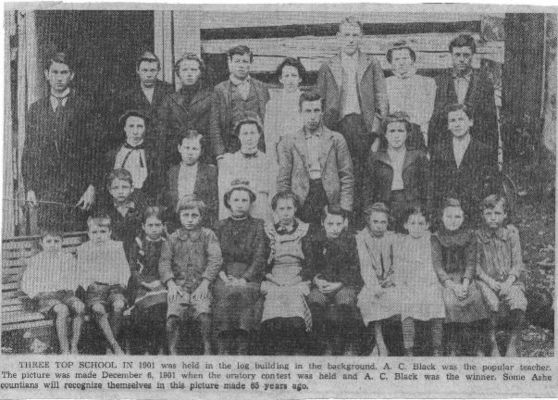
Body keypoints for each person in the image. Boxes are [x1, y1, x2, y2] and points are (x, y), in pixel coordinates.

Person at [317, 17, 388, 219]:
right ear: (338, 37)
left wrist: (376, 132)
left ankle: (363, 216)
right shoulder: (327, 65)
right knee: (340, 172)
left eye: (355, 35)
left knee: (365, 171)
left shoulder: (371, 63)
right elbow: (320, 100)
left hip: (363, 126)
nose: (350, 40)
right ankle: (341, 216)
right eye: (346, 35)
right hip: (337, 126)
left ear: (361, 37)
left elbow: (381, 98)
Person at [21, 52, 100, 231]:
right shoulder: (36, 110)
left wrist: (92, 187)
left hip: (78, 192)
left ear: (72, 75)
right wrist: (30, 188)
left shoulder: (85, 107)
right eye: (54, 72)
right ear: (46, 74)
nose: (59, 78)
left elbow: (96, 151)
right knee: (50, 243)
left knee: (76, 243)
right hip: (47, 192)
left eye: (64, 73)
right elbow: (29, 151)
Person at [277, 91, 354, 225]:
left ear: (322, 112)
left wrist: (344, 209)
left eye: (316, 110)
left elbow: (346, 176)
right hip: (300, 198)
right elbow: (283, 180)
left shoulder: (336, 139)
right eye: (307, 111)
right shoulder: (288, 142)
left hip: (329, 196)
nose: (312, 116)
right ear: (300, 112)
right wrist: (286, 209)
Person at [158, 196, 222, 355]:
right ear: (179, 216)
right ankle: (173, 352)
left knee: (204, 314)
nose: (190, 220)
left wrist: (205, 283)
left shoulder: (208, 235)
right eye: (185, 215)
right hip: (179, 287)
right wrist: (171, 284)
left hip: (201, 285)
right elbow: (164, 262)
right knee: (173, 316)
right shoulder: (172, 238)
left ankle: (207, 349)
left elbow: (216, 260)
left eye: (195, 215)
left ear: (201, 217)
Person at [213, 179, 268, 355]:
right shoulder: (220, 226)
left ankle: (242, 345)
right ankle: (224, 344)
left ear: (251, 202)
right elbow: (215, 255)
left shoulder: (258, 225)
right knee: (225, 292)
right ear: (228, 201)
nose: (240, 204)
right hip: (224, 274)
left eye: (244, 200)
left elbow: (260, 256)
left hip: (249, 275)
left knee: (244, 293)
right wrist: (223, 276)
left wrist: (244, 278)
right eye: (236, 200)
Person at [432, 198, 490, 356]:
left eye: (457, 217)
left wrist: (464, 284)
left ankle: (478, 346)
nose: (452, 221)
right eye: (448, 217)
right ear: (442, 217)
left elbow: (471, 263)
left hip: (465, 278)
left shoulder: (470, 236)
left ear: (463, 218)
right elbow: (437, 267)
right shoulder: (436, 237)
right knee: (450, 302)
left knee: (476, 297)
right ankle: (452, 345)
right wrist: (453, 286)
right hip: (446, 281)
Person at [260, 191, 314, 355]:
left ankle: (295, 349)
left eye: (289, 208)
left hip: (297, 276)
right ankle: (278, 350)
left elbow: (310, 263)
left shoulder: (304, 230)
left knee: (293, 299)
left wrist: (294, 280)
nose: (285, 213)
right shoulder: (269, 230)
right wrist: (273, 279)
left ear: (295, 209)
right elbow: (262, 262)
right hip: (274, 277)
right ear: (275, 210)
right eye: (281, 209)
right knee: (274, 299)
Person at [430, 104, 499, 226]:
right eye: (452, 120)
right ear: (448, 125)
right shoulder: (439, 151)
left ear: (471, 122)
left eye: (461, 119)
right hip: (446, 215)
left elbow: (490, 185)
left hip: (474, 214)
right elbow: (434, 184)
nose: (457, 124)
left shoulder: (484, 151)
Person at [476, 194, 527, 357]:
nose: (492, 218)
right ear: (482, 215)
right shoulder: (477, 236)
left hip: (510, 281)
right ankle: (492, 343)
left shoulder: (511, 233)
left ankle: (513, 341)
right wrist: (490, 282)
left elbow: (517, 263)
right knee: (488, 302)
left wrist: (508, 282)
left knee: (518, 300)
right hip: (487, 281)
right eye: (488, 214)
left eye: (497, 214)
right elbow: (475, 266)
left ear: (505, 215)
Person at [307, 205, 363, 355]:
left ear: (345, 223)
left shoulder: (351, 241)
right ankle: (323, 344)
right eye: (330, 224)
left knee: (345, 302)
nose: (334, 228)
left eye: (339, 224)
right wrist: (316, 280)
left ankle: (344, 344)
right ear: (322, 223)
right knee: (315, 301)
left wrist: (340, 283)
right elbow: (309, 265)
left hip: (344, 284)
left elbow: (355, 268)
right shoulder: (315, 240)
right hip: (322, 285)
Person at [430, 34, 498, 153]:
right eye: (457, 55)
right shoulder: (440, 81)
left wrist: (492, 154)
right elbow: (434, 119)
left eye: (466, 55)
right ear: (451, 55)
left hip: (476, 145)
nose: (461, 59)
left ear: (473, 56)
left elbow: (491, 121)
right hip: (446, 145)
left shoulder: (483, 82)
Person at [21, 229, 84, 354]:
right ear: (41, 243)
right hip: (46, 297)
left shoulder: (68, 258)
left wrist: (69, 288)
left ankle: (74, 345)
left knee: (80, 307)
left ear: (62, 242)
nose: (53, 244)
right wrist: (38, 294)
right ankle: (64, 349)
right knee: (62, 310)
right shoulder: (36, 260)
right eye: (48, 241)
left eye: (56, 241)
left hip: (65, 294)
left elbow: (76, 277)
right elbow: (26, 283)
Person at [76, 215, 131, 355]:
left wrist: (122, 282)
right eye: (94, 232)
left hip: (114, 287)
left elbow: (124, 268)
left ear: (109, 232)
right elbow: (80, 272)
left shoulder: (117, 246)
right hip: (95, 290)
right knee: (98, 309)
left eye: (103, 232)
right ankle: (114, 345)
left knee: (118, 305)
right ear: (88, 234)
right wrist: (88, 285)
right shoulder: (83, 249)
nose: (99, 236)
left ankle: (108, 347)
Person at [364, 112, 430, 230]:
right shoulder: (376, 158)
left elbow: (427, 188)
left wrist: (424, 211)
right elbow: (368, 190)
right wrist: (369, 214)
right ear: (385, 134)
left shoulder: (417, 156)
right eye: (392, 131)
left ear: (407, 134)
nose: (396, 136)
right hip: (385, 206)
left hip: (412, 206)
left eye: (400, 131)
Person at [397, 206, 445, 356]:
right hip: (409, 283)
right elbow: (399, 267)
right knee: (407, 305)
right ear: (405, 225)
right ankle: (408, 348)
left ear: (427, 225)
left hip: (429, 282)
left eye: (421, 224)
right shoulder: (402, 242)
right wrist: (403, 283)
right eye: (412, 224)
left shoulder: (431, 240)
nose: (416, 228)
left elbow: (436, 266)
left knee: (436, 302)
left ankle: (437, 347)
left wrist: (432, 283)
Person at [355, 203, 401, 356]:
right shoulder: (361, 238)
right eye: (376, 222)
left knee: (396, 299)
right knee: (368, 299)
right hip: (371, 282)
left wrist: (392, 279)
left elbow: (398, 263)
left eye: (383, 222)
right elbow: (365, 266)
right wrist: (375, 287)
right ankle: (379, 341)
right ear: (369, 221)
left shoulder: (393, 237)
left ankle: (390, 343)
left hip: (390, 282)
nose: (380, 226)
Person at [210, 45, 270, 160]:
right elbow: (215, 124)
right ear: (230, 63)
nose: (241, 65)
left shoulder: (261, 87)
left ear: (250, 64)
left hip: (257, 148)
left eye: (245, 61)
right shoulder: (220, 89)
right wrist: (220, 154)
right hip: (230, 149)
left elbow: (269, 121)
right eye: (237, 61)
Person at [157, 53, 213, 166]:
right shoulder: (169, 100)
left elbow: (215, 129)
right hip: (175, 157)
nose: (189, 73)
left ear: (200, 72)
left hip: (204, 156)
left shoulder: (211, 98)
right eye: (185, 69)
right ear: (178, 73)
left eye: (193, 69)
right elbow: (162, 133)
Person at [218, 112, 274, 223]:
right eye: (245, 134)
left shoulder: (268, 161)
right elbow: (223, 195)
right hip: (236, 216)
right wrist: (224, 222)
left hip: (262, 213)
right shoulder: (228, 161)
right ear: (238, 136)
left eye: (253, 133)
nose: (249, 138)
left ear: (259, 134)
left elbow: (274, 193)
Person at [127, 207, 168, 355]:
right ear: (143, 226)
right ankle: (141, 348)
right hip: (142, 283)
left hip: (161, 282)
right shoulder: (138, 243)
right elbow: (133, 268)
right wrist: (143, 283)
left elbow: (169, 267)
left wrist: (161, 281)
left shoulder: (167, 243)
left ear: (163, 226)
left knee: (160, 306)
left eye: (158, 225)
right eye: (150, 225)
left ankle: (155, 347)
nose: (154, 229)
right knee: (143, 310)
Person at [110, 51, 173, 145]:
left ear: (158, 70)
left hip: (162, 144)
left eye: (152, 70)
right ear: (138, 70)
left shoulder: (168, 90)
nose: (148, 75)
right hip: (136, 144)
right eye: (144, 70)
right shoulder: (127, 93)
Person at [164, 130, 218, 232]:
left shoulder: (210, 171)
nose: (190, 153)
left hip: (201, 226)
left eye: (194, 149)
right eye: (186, 148)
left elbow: (214, 202)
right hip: (176, 225)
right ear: (179, 148)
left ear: (201, 151)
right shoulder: (172, 172)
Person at [385, 42, 435, 150]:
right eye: (397, 59)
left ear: (412, 60)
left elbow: (429, 113)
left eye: (405, 58)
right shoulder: (386, 84)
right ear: (391, 63)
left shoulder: (427, 83)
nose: (401, 63)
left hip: (418, 135)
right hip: (394, 136)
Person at [104, 110, 162, 202]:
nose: (135, 131)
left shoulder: (153, 155)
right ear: (125, 128)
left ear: (145, 128)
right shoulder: (113, 154)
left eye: (139, 127)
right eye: (131, 126)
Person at [94, 169, 149, 255]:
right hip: (113, 254)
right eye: (115, 188)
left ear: (132, 188)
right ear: (110, 190)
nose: (120, 192)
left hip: (137, 252)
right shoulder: (106, 211)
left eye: (125, 187)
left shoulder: (139, 209)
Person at [264, 57, 306, 169]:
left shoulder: (306, 101)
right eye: (286, 76)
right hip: (281, 152)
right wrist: (272, 162)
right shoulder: (273, 104)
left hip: (304, 150)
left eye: (294, 76)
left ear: (300, 78)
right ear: (281, 79)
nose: (290, 80)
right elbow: (270, 137)